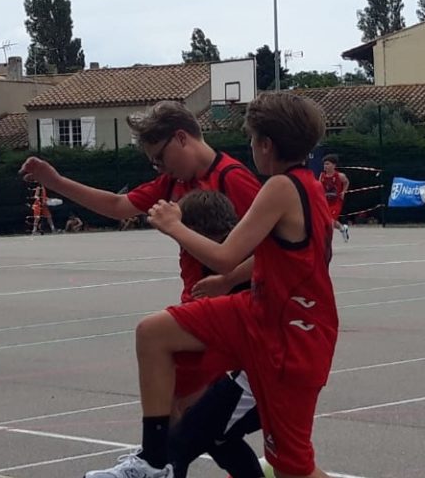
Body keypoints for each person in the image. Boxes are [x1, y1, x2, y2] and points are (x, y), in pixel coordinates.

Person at [80, 92, 337, 478]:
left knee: (293, 468)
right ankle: (154, 462)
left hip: (289, 335)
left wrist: (174, 226)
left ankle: (162, 460)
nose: (251, 146)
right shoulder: (307, 187)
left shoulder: (281, 188)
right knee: (153, 332)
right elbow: (279, 258)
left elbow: (225, 255)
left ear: (265, 144)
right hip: (259, 311)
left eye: (252, 139)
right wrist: (230, 282)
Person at [20, 100, 263, 431]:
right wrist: (56, 181)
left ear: (181, 138)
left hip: (230, 313)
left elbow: (273, 250)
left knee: (184, 407)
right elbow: (118, 205)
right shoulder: (173, 182)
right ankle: (162, 453)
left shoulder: (233, 179)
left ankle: (154, 454)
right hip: (196, 304)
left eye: (160, 158)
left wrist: (228, 279)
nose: (159, 168)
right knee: (185, 411)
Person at [165, 191, 264, 478]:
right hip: (248, 369)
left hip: (262, 374)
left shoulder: (233, 258)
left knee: (179, 444)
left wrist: (228, 279)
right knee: (218, 438)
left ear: (195, 230)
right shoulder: (223, 258)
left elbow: (268, 258)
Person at [321, 154, 349, 242]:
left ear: (334, 165)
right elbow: (319, 187)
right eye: (324, 164)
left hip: (336, 202)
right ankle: (342, 228)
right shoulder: (322, 176)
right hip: (326, 201)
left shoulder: (340, 176)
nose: (325, 166)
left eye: (327, 164)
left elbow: (346, 182)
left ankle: (327, 241)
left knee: (330, 221)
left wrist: (343, 191)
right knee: (327, 220)